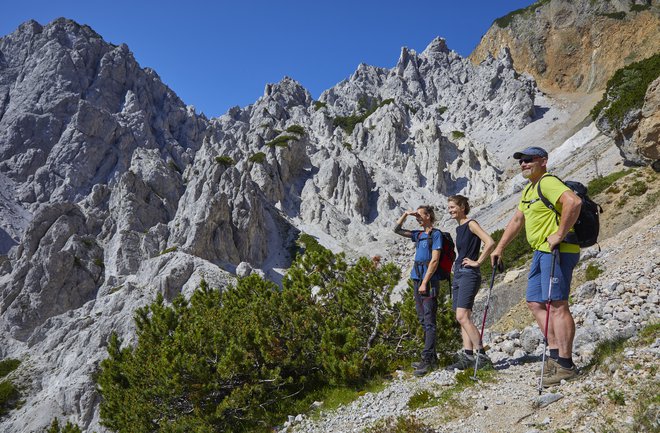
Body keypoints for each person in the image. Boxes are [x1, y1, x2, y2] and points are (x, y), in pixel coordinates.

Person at [491, 146, 582, 386]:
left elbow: (573, 202)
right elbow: (517, 220)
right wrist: (499, 248)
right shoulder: (530, 189)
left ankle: (566, 364)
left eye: (528, 160)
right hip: (541, 252)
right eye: (521, 161)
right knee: (535, 302)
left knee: (557, 305)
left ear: (543, 161)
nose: (523, 164)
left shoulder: (547, 182)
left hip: (557, 251)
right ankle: (554, 356)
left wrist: (560, 234)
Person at [444, 195, 496, 371]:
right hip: (459, 273)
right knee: (462, 317)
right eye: (449, 208)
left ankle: (482, 356)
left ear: (462, 207)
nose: (450, 210)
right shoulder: (459, 228)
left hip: (469, 273)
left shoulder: (471, 224)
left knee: (462, 316)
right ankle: (468, 356)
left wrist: (478, 262)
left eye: (452, 207)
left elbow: (490, 242)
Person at [394, 205, 442, 376]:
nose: (418, 218)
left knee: (429, 320)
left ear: (428, 216)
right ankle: (432, 358)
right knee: (423, 319)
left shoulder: (435, 235)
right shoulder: (418, 234)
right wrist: (406, 214)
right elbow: (397, 229)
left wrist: (425, 282)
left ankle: (427, 360)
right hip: (417, 278)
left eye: (420, 215)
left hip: (428, 281)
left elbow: (435, 261)